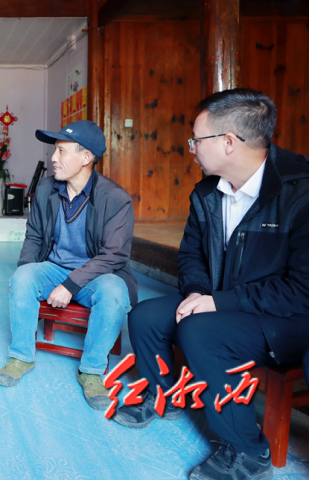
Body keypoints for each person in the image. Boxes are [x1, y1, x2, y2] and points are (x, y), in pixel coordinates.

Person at [113, 88, 309, 480]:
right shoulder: (206, 192)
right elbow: (191, 255)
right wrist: (198, 292)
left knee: (200, 331)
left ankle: (248, 452)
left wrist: (218, 302)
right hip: (223, 302)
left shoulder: (299, 192)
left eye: (196, 140)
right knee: (145, 316)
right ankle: (162, 395)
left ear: (229, 142)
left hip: (286, 318)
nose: (191, 149)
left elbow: (301, 290)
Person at [0, 120, 137, 410]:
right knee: (23, 277)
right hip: (54, 267)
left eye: (61, 151)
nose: (53, 158)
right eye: (54, 150)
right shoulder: (46, 189)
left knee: (114, 291)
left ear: (86, 157)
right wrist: (25, 272)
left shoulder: (115, 199)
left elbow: (114, 256)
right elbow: (34, 236)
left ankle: (92, 371)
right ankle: (21, 356)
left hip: (96, 274)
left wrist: (70, 285)